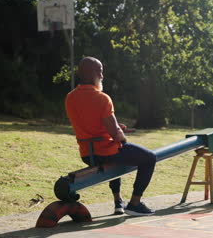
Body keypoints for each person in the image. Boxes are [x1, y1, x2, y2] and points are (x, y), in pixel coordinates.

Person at [65, 56, 156, 216]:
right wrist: (122, 137)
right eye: (100, 72)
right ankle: (134, 203)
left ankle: (118, 201)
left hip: (87, 153)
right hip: (106, 152)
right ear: (93, 74)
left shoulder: (70, 97)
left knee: (116, 154)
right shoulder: (102, 98)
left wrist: (112, 130)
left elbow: (90, 124)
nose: (102, 76)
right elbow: (116, 134)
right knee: (148, 157)